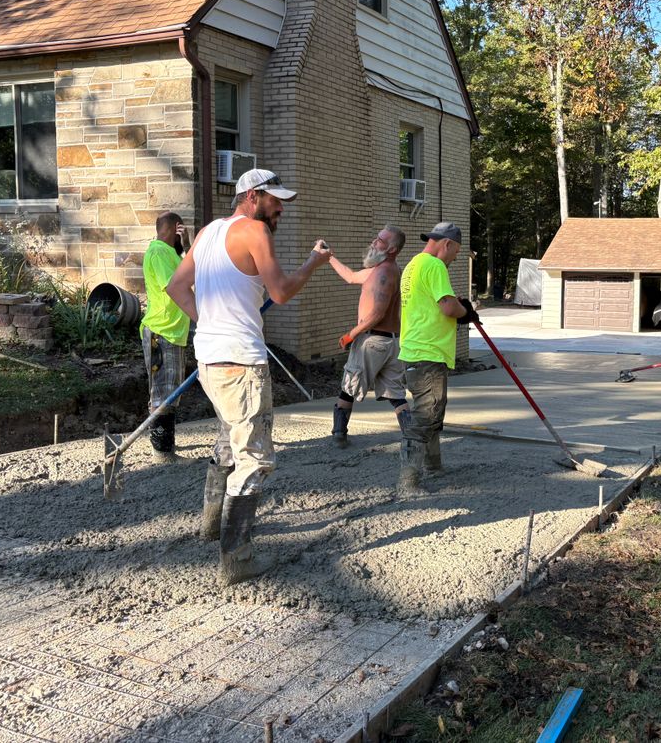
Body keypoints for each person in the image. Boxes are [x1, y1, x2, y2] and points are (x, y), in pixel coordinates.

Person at [166, 168, 333, 583]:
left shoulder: (206, 233)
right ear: (253, 196)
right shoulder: (255, 233)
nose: (281, 209)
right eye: (276, 200)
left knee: (228, 440)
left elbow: (176, 287)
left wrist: (208, 323)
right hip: (240, 362)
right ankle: (235, 558)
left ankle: (209, 525)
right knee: (254, 457)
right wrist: (314, 261)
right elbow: (280, 292)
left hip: (208, 358)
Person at [395, 221, 476, 496]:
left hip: (415, 352)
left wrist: (459, 307)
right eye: (456, 254)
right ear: (447, 244)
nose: (454, 259)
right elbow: (447, 307)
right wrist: (465, 311)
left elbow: (433, 303)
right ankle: (408, 483)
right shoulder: (435, 265)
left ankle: (433, 466)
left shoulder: (413, 265)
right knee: (425, 418)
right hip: (427, 353)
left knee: (431, 413)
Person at [328, 225, 410, 448]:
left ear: (392, 249)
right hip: (392, 342)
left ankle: (338, 435)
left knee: (349, 385)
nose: (374, 242)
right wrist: (329, 257)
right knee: (396, 394)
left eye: (381, 240)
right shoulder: (386, 269)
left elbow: (377, 313)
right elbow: (352, 276)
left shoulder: (384, 273)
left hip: (373, 341)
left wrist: (350, 335)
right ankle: (411, 437)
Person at [140, 212, 190, 462]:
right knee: (163, 390)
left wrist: (186, 246)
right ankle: (161, 451)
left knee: (172, 389)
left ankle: (164, 444)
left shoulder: (173, 253)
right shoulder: (158, 252)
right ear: (174, 228)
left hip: (174, 332)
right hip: (161, 332)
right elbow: (175, 286)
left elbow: (191, 271)